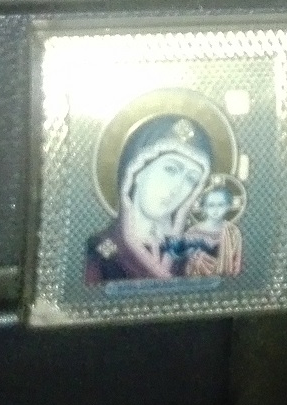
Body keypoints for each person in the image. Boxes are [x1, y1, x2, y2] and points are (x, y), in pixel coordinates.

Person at [85, 113, 214, 284]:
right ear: (138, 171)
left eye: (191, 179)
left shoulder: (194, 250)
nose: (177, 188)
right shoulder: (102, 251)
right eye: (171, 169)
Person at [178, 174, 244, 278]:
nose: (216, 210)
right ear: (204, 207)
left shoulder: (232, 231)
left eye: (220, 205)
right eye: (211, 205)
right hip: (197, 283)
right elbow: (186, 265)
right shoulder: (192, 233)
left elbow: (236, 263)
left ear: (228, 206)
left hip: (225, 283)